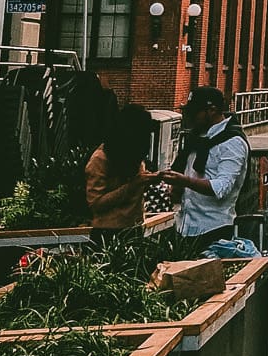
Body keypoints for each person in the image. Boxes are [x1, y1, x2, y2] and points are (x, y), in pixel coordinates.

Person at [144, 85, 251, 253]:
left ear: (212, 110)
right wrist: (176, 188)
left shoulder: (232, 143)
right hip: (185, 227)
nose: (190, 117)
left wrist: (185, 181)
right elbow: (185, 170)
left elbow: (221, 188)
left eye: (195, 113)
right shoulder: (197, 137)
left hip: (214, 229)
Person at [86, 103, 153, 234]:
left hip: (134, 227)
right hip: (108, 231)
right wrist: (133, 185)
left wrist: (147, 181)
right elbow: (96, 204)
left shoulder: (135, 153)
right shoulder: (100, 159)